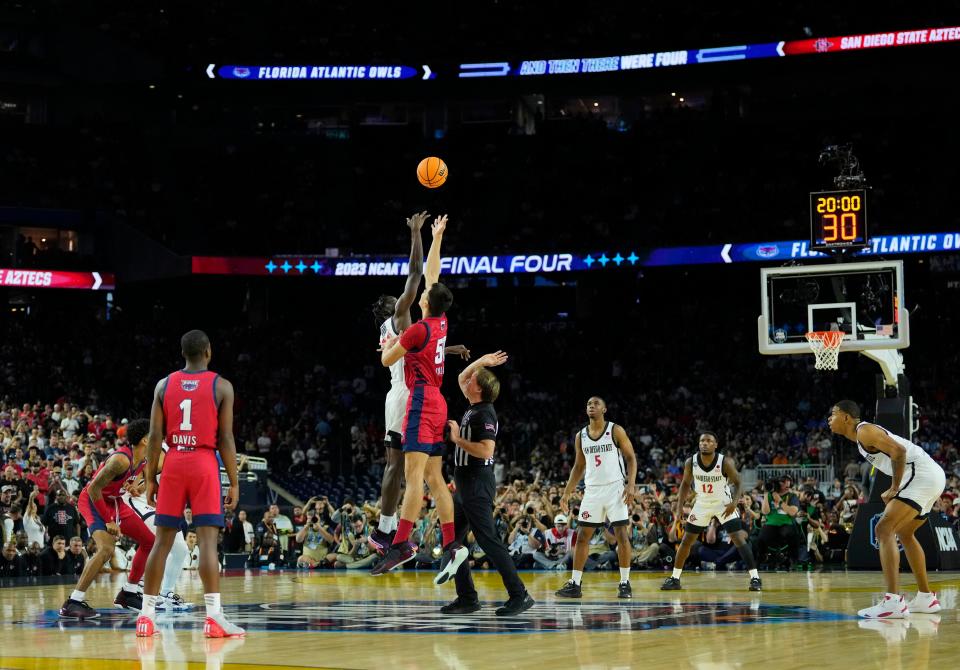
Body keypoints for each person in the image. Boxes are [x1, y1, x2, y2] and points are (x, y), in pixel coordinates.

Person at [372, 215, 468, 582]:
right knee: (435, 478)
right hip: (438, 400)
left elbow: (385, 359)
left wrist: (394, 343)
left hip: (417, 400)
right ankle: (452, 545)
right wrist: (438, 237)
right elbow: (431, 276)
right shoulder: (441, 322)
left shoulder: (413, 328)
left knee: (410, 477)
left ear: (424, 303)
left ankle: (397, 541)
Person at [136, 330, 244, 638]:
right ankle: (214, 618)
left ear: (183, 353)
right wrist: (234, 482)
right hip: (203, 463)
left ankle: (146, 617)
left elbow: (155, 437)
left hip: (173, 462)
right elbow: (225, 438)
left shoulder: (163, 385)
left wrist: (149, 478)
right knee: (208, 542)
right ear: (208, 351)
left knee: (162, 542)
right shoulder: (222, 386)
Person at [828, 400, 947, 618]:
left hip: (922, 474)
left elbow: (899, 452)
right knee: (905, 533)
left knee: (883, 530)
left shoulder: (864, 430)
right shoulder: (861, 438)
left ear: (846, 417)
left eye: (833, 414)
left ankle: (892, 601)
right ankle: (926, 598)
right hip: (931, 475)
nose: (829, 419)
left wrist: (894, 488)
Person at [438, 351, 534, 616]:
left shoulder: (485, 414)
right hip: (464, 482)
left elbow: (486, 451)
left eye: (474, 378)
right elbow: (460, 375)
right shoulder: (472, 408)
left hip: (477, 482)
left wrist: (457, 440)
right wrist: (482, 361)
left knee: (488, 540)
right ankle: (467, 598)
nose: (468, 379)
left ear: (478, 388)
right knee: (452, 540)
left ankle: (520, 595)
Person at [58, 419, 155, 618]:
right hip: (93, 500)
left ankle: (128, 593)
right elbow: (94, 488)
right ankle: (72, 602)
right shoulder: (120, 460)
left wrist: (136, 487)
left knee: (149, 541)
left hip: (114, 500)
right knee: (107, 549)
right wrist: (108, 520)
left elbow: (140, 480)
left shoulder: (143, 458)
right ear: (145, 440)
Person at [556, 397, 638, 599]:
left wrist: (631, 484)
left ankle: (625, 582)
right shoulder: (580, 436)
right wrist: (567, 492)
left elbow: (630, 458)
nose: (591, 406)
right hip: (592, 490)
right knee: (583, 535)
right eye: (588, 404)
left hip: (615, 488)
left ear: (604, 409)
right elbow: (578, 466)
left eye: (595, 404)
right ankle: (575, 583)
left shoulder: (615, 430)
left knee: (621, 535)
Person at [660, 432, 761, 591]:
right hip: (702, 503)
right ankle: (674, 578)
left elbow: (739, 481)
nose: (704, 443)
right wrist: (680, 507)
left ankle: (755, 578)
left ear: (715, 445)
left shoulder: (724, 462)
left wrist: (734, 503)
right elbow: (685, 484)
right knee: (686, 540)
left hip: (723, 503)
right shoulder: (690, 462)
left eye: (708, 441)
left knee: (738, 538)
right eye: (702, 441)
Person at [121, 439, 195, 612]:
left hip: (160, 504)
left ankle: (166, 594)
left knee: (180, 549)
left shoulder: (189, 452)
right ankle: (138, 588)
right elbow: (145, 475)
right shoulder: (163, 449)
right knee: (157, 540)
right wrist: (138, 484)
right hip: (139, 500)